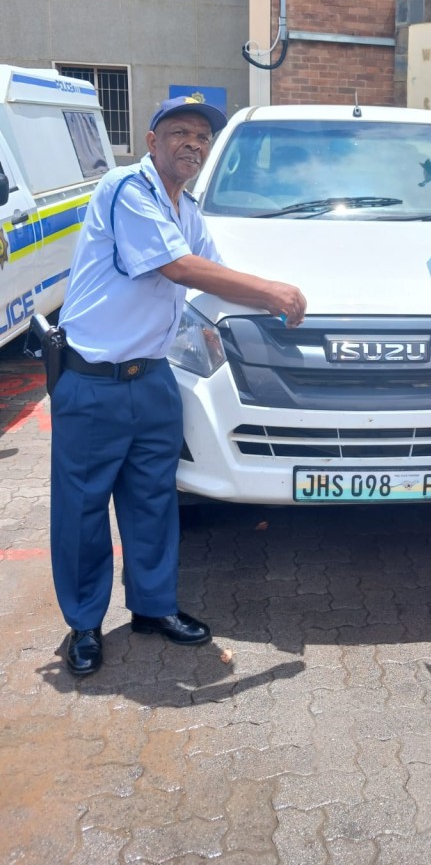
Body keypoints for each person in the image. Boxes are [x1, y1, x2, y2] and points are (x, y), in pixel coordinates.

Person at [51, 96, 307, 677]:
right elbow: (179, 269)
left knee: (153, 503)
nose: (192, 144)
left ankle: (153, 608)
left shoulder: (186, 210)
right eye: (180, 133)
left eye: (201, 137)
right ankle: (85, 625)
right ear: (151, 141)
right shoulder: (127, 191)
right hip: (95, 383)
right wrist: (273, 291)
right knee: (84, 511)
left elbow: (218, 278)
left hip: (154, 380)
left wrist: (285, 293)